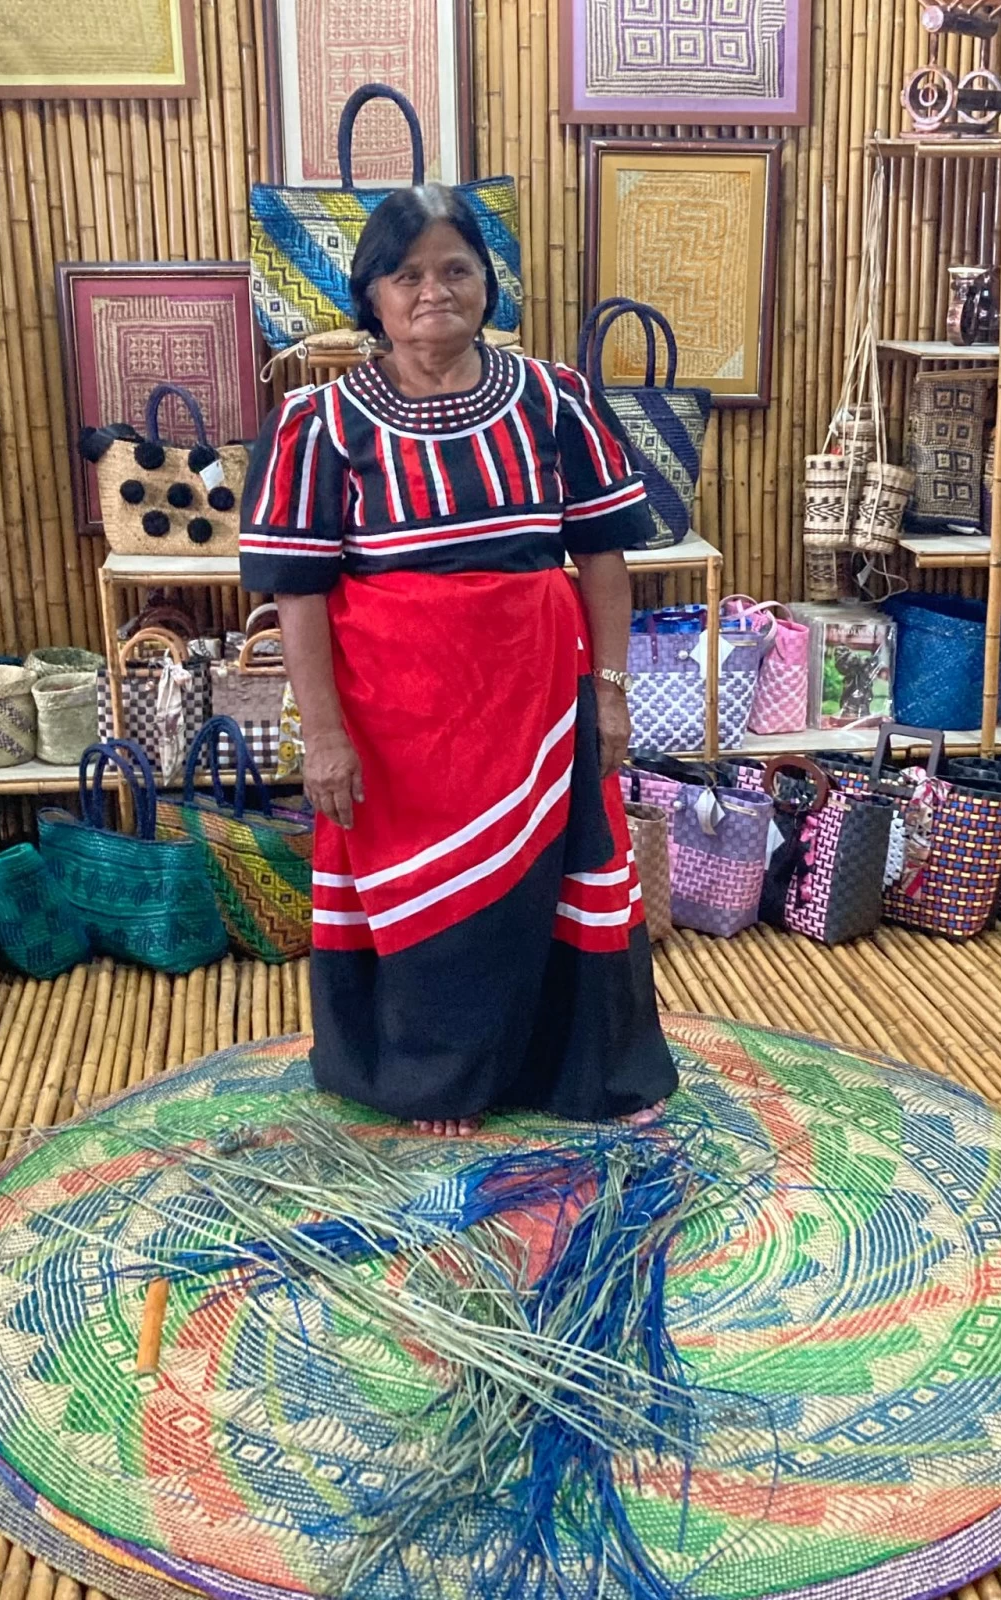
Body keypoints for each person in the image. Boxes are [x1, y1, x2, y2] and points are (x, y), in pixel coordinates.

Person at [240, 183, 677, 1137]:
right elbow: (297, 594)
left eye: (456, 269)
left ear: (488, 284)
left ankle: (561, 1072)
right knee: (430, 895)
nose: (433, 290)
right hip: (396, 723)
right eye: (407, 274)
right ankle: (439, 1081)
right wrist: (323, 736)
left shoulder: (555, 399)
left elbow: (602, 555)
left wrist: (609, 691)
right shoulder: (318, 425)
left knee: (548, 884)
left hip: (536, 704)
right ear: (372, 297)